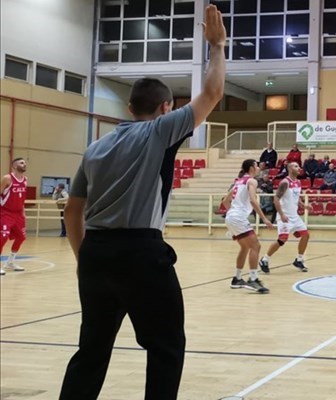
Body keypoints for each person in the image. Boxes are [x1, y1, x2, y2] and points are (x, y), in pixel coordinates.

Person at [58, 5, 227, 399]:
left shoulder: (94, 147)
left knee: (91, 351)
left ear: (130, 108)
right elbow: (213, 93)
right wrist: (217, 46)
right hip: (141, 252)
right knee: (166, 347)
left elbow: (72, 209)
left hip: (97, 252)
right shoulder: (159, 131)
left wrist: (86, 257)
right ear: (166, 108)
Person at [222, 159, 273, 294]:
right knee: (256, 246)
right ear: (251, 168)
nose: (259, 168)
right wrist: (264, 218)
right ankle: (253, 278)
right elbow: (252, 199)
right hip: (237, 217)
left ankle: (237, 278)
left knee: (245, 247)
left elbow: (225, 201)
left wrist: (232, 213)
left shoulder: (238, 181)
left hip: (231, 217)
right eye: (257, 166)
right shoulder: (252, 181)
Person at [259, 162, 311, 273]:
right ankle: (265, 259)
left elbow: (296, 198)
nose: (299, 168)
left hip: (294, 216)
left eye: (298, 166)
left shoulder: (298, 182)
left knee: (306, 235)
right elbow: (276, 199)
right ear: (290, 169)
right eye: (296, 166)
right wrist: (281, 214)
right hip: (285, 216)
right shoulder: (285, 182)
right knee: (282, 240)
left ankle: (299, 259)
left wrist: (304, 205)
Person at [0, 157, 29, 274]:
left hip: (18, 214)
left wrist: (23, 212)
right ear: (14, 166)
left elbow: (22, 198)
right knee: (3, 237)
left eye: (25, 163)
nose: (24, 164)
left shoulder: (25, 179)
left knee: (21, 237)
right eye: (21, 163)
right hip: (5, 213)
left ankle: (10, 262)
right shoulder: (7, 178)